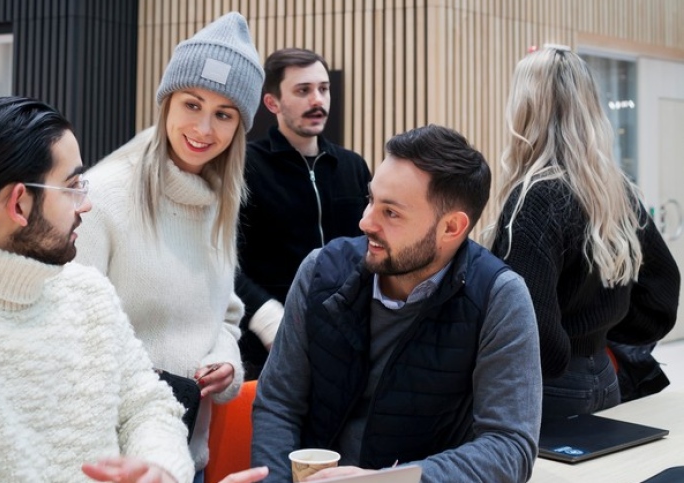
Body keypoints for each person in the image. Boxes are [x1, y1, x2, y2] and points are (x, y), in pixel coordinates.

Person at [0, 96, 194, 482]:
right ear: (18, 204)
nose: (86, 205)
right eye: (73, 186)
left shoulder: (88, 292)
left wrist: (159, 470)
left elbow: (147, 405)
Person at [251, 124, 542, 482]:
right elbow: (278, 404)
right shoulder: (320, 272)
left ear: (451, 227)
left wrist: (389, 481)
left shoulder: (499, 297)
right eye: (371, 199)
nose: (365, 221)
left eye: (391, 213)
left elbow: (509, 446)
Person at [74, 12, 264, 482]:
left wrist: (226, 362)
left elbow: (226, 313)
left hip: (185, 456)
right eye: (191, 104)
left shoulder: (221, 203)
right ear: (166, 104)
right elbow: (73, 332)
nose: (203, 128)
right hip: (111, 460)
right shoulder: (103, 197)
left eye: (223, 114)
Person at [486, 46, 680, 417]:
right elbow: (661, 294)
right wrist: (599, 332)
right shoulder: (616, 190)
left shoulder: (537, 198)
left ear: (525, 108)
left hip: (552, 386)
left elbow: (529, 326)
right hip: (602, 374)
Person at [236, 48, 371, 379]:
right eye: (303, 90)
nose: (318, 100)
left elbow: (371, 249)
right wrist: (267, 319)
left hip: (344, 345)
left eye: (323, 89)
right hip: (266, 352)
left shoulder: (352, 166)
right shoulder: (244, 167)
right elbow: (223, 262)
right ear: (272, 103)